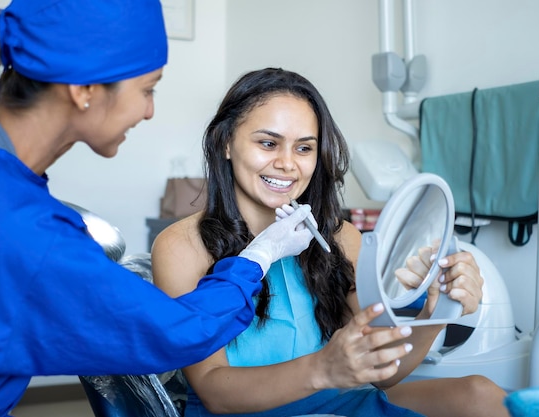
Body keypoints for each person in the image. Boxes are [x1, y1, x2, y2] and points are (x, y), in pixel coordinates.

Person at [0, 4, 316, 417]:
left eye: (305, 147)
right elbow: (173, 332)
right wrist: (258, 256)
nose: (149, 110)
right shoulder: (26, 230)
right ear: (84, 88)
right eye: (147, 89)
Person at [151, 67, 510, 417]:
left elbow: (383, 373)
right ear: (226, 143)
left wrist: (437, 312)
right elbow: (214, 391)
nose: (287, 164)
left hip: (340, 402)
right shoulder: (181, 246)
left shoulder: (340, 237)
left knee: (481, 395)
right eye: (267, 143)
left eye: (304, 148)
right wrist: (323, 368)